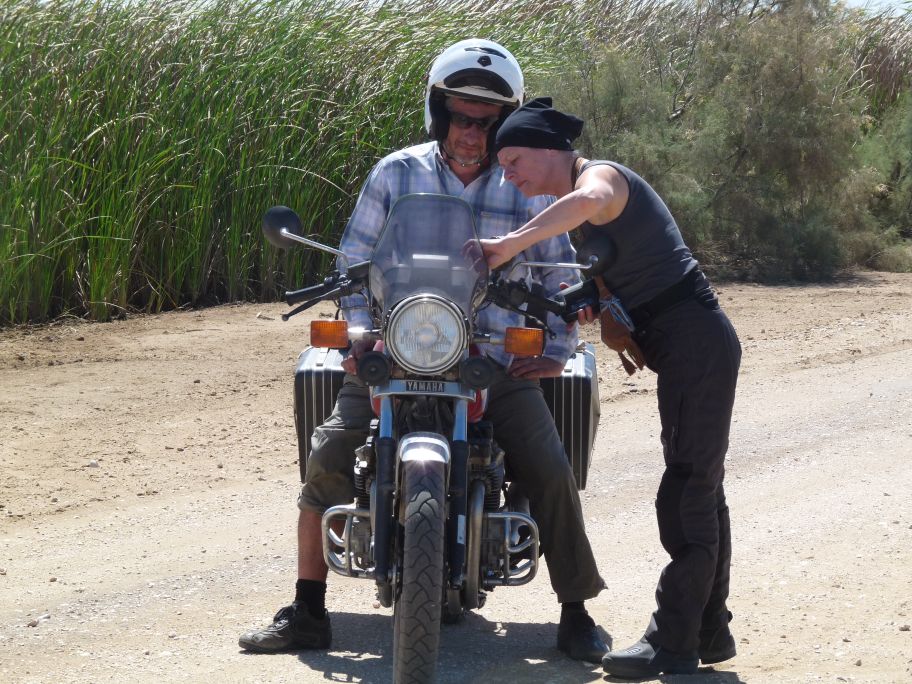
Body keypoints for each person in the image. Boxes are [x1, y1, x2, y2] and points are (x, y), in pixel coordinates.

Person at [239, 41, 608, 663]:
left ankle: (575, 610)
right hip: (398, 349)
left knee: (549, 464)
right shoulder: (395, 173)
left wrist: (558, 345)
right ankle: (306, 607)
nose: (472, 133)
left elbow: (557, 278)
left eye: (486, 122)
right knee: (328, 451)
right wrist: (360, 335)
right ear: (439, 114)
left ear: (505, 126)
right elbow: (357, 262)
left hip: (492, 358)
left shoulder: (528, 186)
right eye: (461, 117)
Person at [479, 97, 742, 678]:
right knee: (701, 489)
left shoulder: (602, 179)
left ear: (551, 152)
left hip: (696, 343)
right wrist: (557, 356)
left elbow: (592, 200)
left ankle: (672, 643)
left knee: (686, 493)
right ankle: (709, 629)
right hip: (686, 348)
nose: (508, 174)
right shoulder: (578, 220)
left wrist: (512, 244)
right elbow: (597, 298)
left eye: (514, 159)